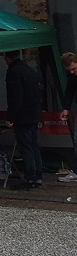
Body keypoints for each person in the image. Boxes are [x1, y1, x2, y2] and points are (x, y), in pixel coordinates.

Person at [5, 50, 44, 188]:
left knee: (26, 147)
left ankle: (30, 177)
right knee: (34, 145)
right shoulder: (29, 70)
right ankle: (38, 176)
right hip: (34, 114)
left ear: (7, 59)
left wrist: (11, 117)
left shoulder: (14, 72)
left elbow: (16, 97)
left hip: (22, 116)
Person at [59, 52, 77, 183]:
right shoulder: (73, 77)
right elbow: (70, 90)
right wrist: (66, 107)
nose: (71, 72)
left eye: (73, 69)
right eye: (69, 70)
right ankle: (75, 171)